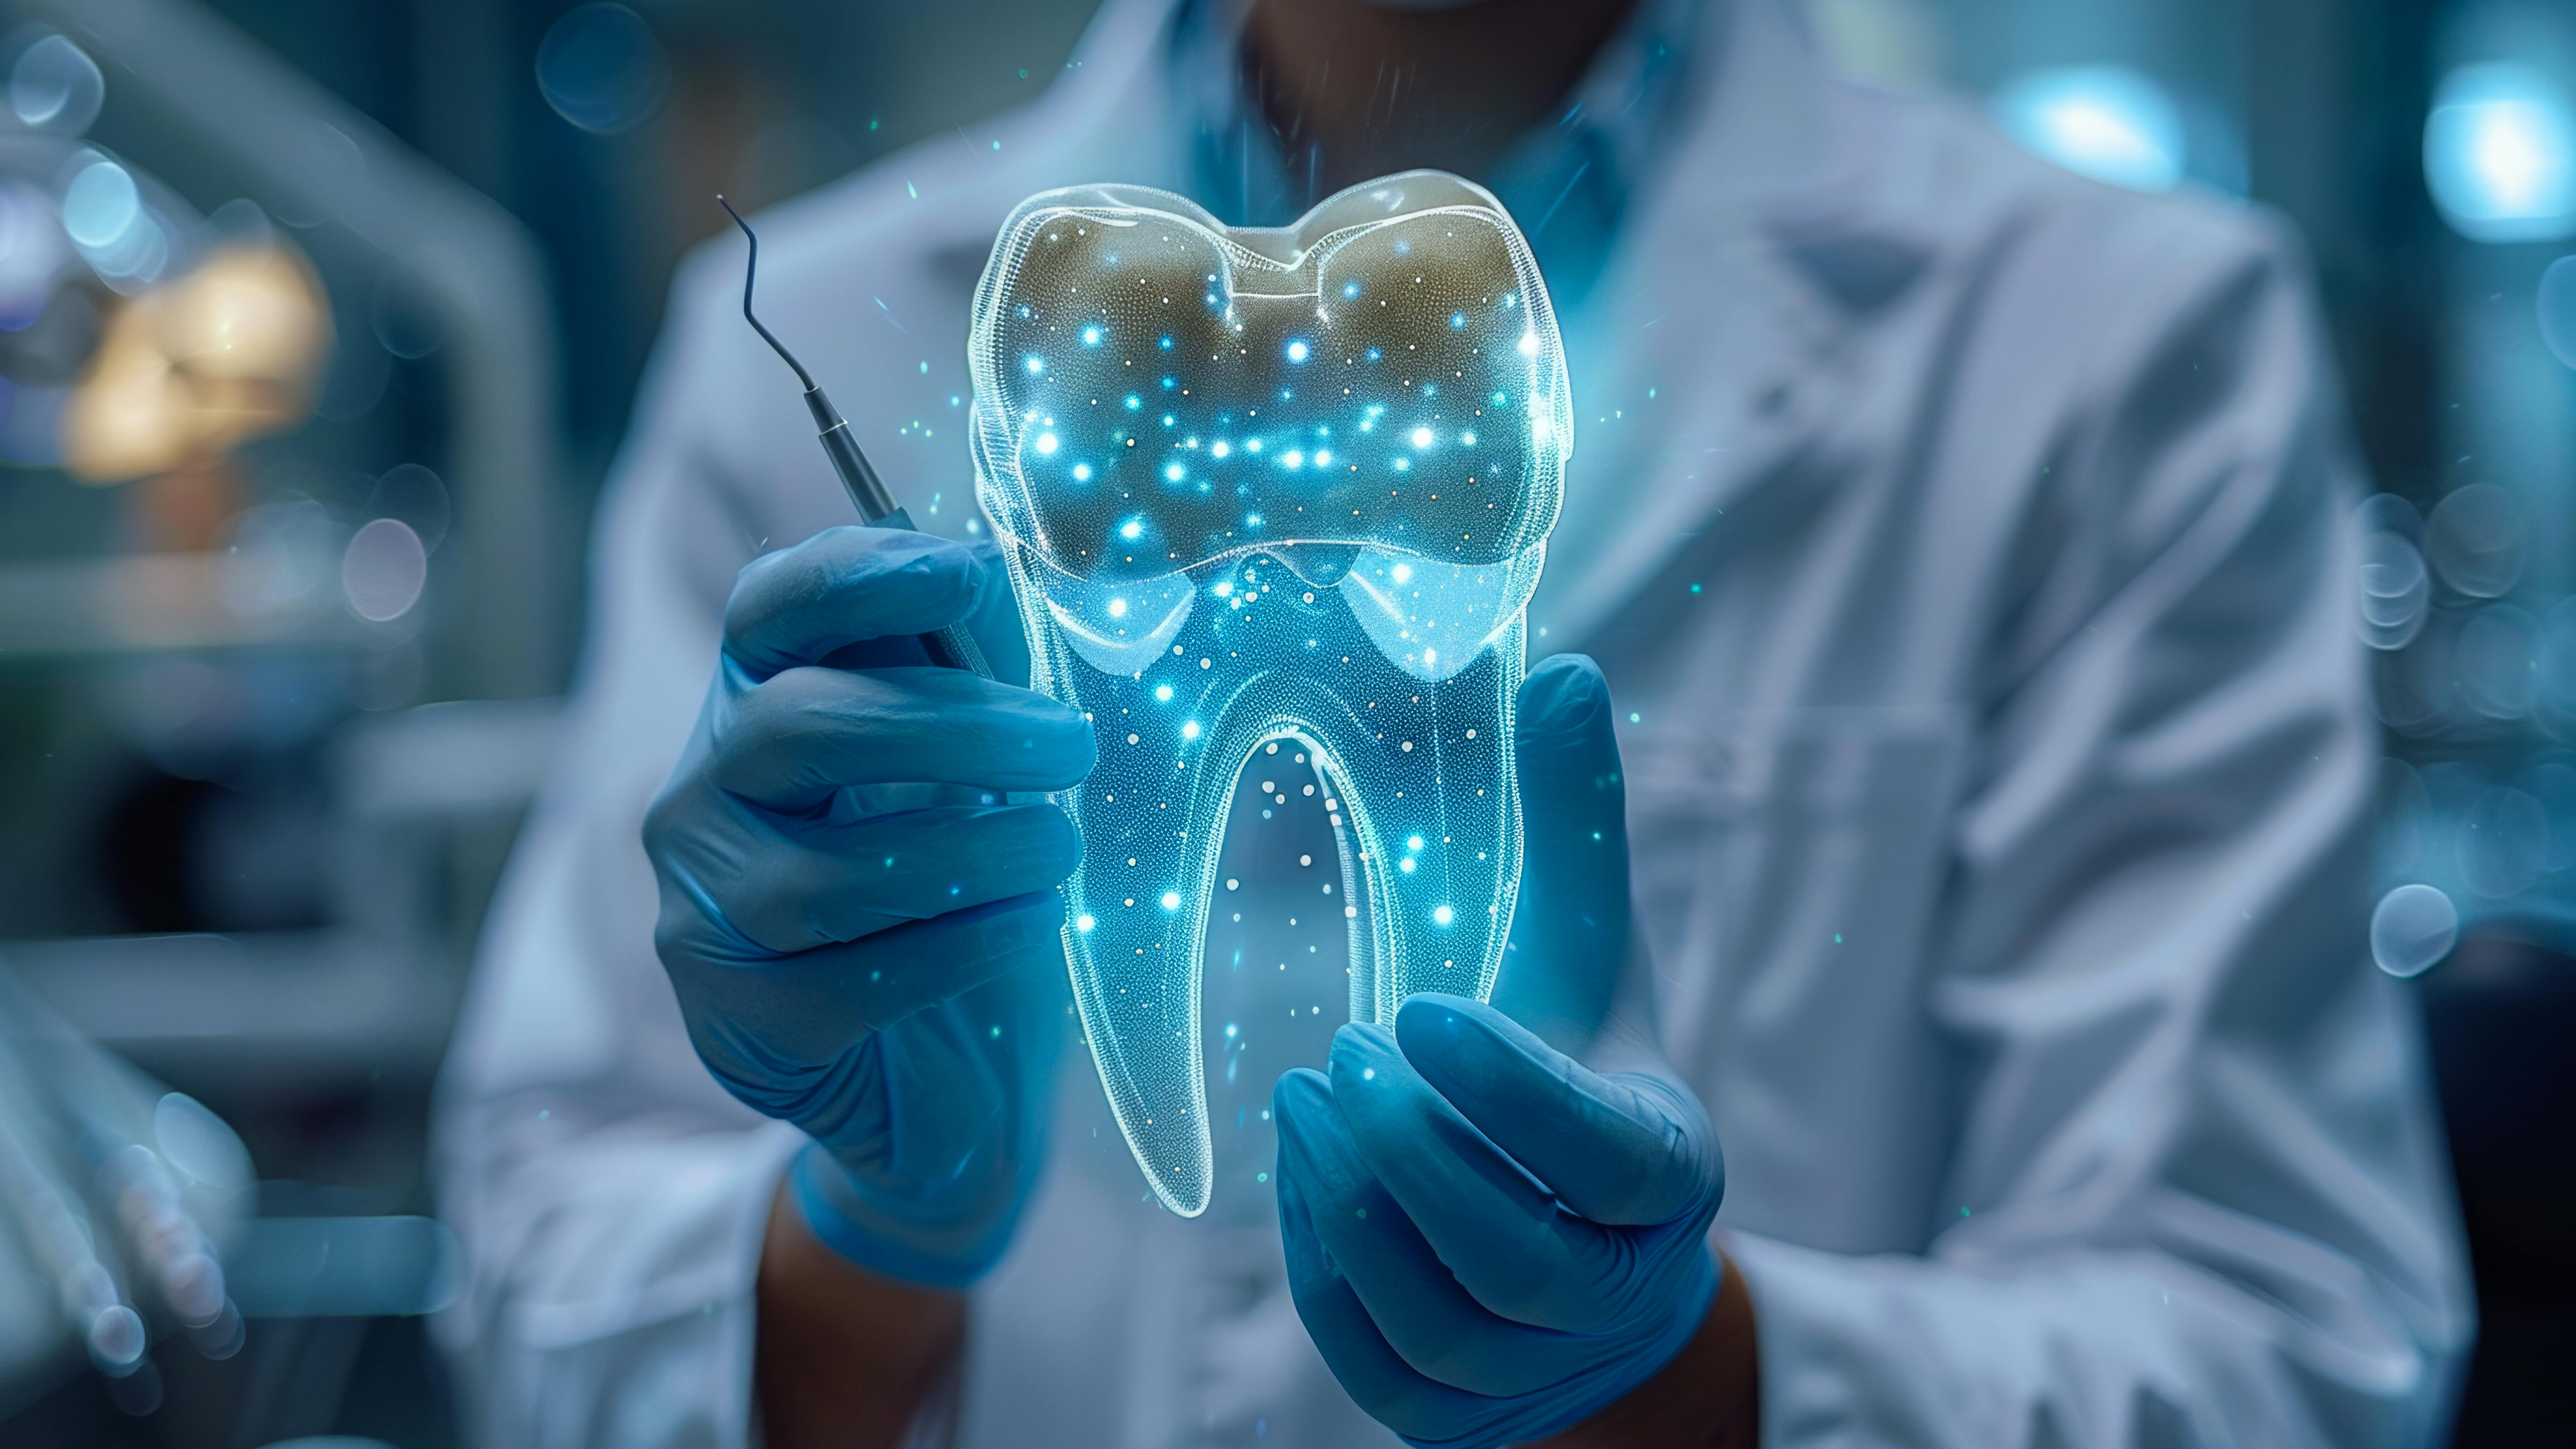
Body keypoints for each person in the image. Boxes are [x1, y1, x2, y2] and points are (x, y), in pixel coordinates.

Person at [432, 0, 2476, 1444]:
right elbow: (531, 1302)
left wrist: (1697, 1391)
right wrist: (862, 1240)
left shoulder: (2112, 347)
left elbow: (2282, 1347)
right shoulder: (828, 342)